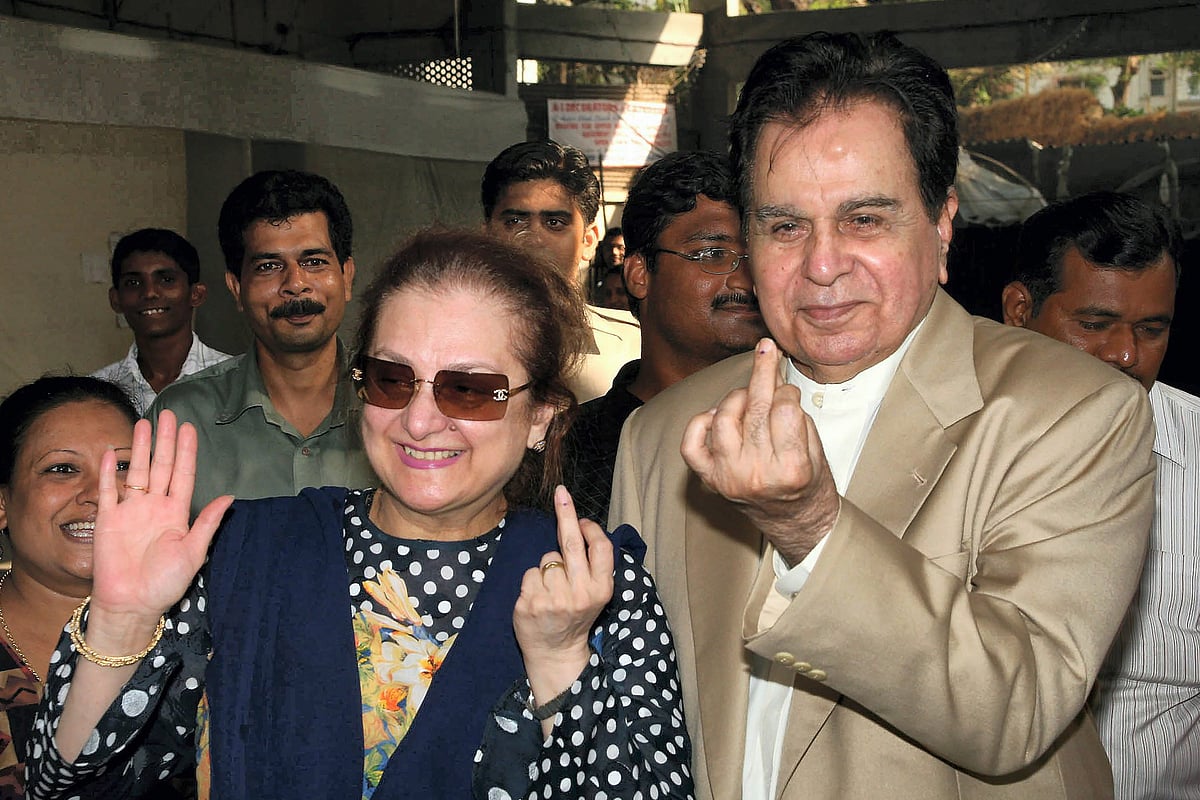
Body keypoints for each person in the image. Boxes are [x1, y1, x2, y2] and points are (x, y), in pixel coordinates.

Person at [609, 32, 1155, 800]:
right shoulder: (664, 434)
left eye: (864, 219)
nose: (822, 265)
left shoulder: (1075, 412)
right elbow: (642, 717)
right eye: (785, 226)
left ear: (942, 224)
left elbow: (1019, 707)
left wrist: (811, 528)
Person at [28, 229, 693, 800]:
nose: (420, 421)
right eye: (391, 380)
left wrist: (561, 663)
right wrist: (122, 621)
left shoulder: (597, 583)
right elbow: (68, 786)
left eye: (469, 389)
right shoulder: (240, 551)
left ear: (541, 415)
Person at [1002, 190, 1199, 800]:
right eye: (1093, 325)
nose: (1125, 354)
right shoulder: (944, 449)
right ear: (1019, 310)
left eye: (1152, 329)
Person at [148, 170, 375, 516]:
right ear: (236, 288)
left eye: (314, 262)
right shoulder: (181, 418)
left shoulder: (396, 406)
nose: (295, 284)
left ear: (346, 277)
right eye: (269, 266)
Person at [563, 151, 765, 527]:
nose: (745, 280)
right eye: (713, 254)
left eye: (755, 256)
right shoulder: (567, 455)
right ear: (639, 274)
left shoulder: (798, 428)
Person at [0, 376, 138, 799]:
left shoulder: (204, 637)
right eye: (62, 469)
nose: (100, 493)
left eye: (123, 467)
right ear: (2, 503)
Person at [482, 140, 641, 403]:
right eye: (514, 221)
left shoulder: (636, 348)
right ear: (486, 236)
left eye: (554, 223)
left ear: (589, 240)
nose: (534, 239)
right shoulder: (444, 339)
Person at [91, 228, 232, 414]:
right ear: (115, 299)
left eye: (166, 280)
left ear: (196, 294)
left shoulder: (234, 380)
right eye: (133, 283)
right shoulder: (98, 393)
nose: (149, 293)